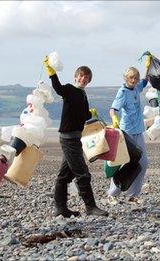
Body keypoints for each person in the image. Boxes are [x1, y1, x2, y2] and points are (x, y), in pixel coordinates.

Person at [43, 56, 108, 217]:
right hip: (68, 138)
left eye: (86, 77)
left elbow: (83, 116)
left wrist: (90, 114)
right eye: (81, 76)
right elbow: (58, 88)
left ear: (89, 81)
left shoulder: (82, 94)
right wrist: (51, 73)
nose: (83, 79)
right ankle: (91, 207)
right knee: (82, 173)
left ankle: (60, 208)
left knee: (65, 175)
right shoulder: (70, 90)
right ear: (75, 77)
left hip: (74, 137)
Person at [107, 63, 151, 204]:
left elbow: (145, 81)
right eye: (131, 78)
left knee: (143, 163)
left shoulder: (136, 88)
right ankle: (112, 194)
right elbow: (113, 109)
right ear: (126, 78)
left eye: (135, 78)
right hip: (127, 132)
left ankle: (133, 195)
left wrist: (148, 66)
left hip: (138, 131)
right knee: (123, 163)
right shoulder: (123, 92)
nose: (134, 80)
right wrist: (114, 119)